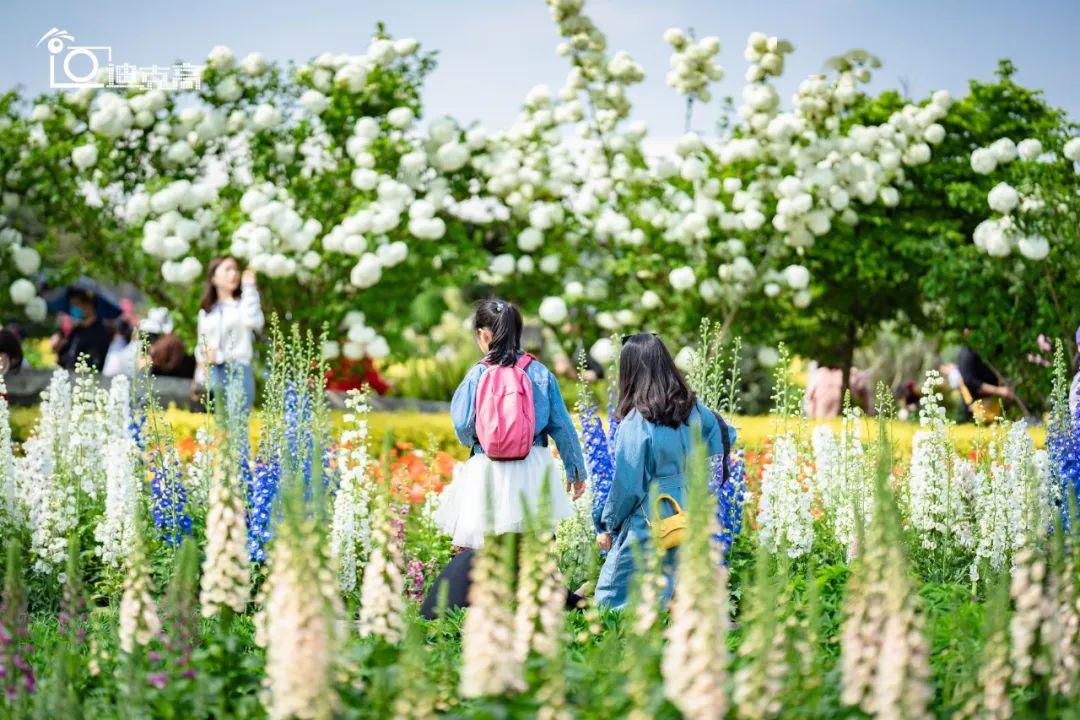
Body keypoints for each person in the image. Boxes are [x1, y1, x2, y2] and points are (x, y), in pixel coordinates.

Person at [593, 332, 735, 610]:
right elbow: (724, 434)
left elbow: (628, 486)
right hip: (687, 513)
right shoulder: (692, 409)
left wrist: (606, 523)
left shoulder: (636, 422)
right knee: (672, 592)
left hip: (649, 515)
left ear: (630, 371)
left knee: (614, 599)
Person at [434, 298, 586, 550]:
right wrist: (575, 471)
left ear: (483, 335)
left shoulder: (477, 373)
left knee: (484, 553)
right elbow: (563, 427)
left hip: (488, 466)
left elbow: (462, 424)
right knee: (534, 549)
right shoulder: (539, 372)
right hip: (534, 464)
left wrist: (482, 441)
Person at [196, 257, 264, 412]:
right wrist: (204, 358)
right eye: (227, 269)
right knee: (219, 426)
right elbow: (200, 344)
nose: (233, 274)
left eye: (235, 269)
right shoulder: (207, 312)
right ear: (214, 277)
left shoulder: (242, 304)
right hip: (213, 371)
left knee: (237, 426)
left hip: (238, 369)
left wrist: (249, 287)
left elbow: (254, 321)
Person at [957, 329, 1013, 424]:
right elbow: (970, 381)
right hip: (975, 408)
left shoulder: (985, 353)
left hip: (992, 407)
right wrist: (999, 391)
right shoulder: (967, 354)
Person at [54, 288, 112, 371]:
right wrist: (60, 346)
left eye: (76, 304)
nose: (73, 309)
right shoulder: (77, 330)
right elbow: (65, 358)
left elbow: (94, 362)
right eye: (71, 305)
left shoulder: (100, 333)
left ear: (89, 304)